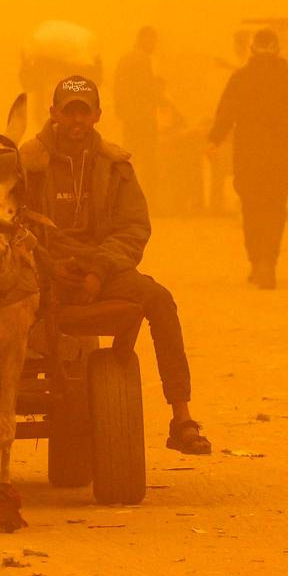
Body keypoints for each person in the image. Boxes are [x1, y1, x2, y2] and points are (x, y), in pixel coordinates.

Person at [19, 75, 212, 455]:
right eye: (68, 111)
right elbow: (12, 225)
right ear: (54, 113)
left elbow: (134, 227)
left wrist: (99, 271)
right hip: (41, 271)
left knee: (159, 300)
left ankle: (182, 417)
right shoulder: (26, 164)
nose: (76, 120)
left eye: (83, 112)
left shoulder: (116, 165)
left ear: (97, 116)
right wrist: (46, 265)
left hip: (100, 267)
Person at [207, 28, 288, 289]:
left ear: (251, 50)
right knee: (276, 209)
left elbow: (225, 115)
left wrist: (214, 140)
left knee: (251, 209)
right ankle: (269, 261)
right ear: (278, 50)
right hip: (280, 155)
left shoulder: (240, 78)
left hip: (248, 155)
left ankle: (256, 261)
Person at [114, 27, 165, 190]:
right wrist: (159, 90)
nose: (155, 46)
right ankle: (152, 197)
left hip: (130, 117)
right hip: (143, 116)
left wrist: (122, 112)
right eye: (153, 41)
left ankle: (123, 191)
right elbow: (145, 89)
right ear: (144, 39)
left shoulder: (125, 59)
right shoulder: (141, 59)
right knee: (149, 158)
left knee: (130, 155)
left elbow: (119, 88)